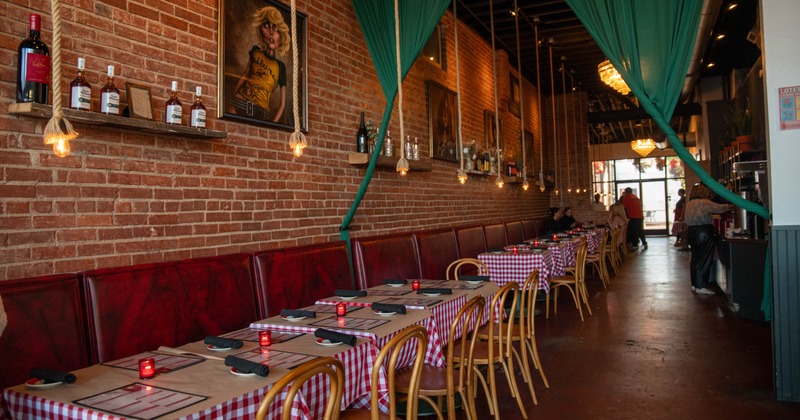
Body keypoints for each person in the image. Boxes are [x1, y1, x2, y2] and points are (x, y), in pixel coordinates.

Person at [229, 6, 289, 123]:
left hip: (262, 112)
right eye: (267, 26)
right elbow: (246, 74)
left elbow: (282, 103)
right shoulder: (255, 51)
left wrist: (274, 123)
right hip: (240, 101)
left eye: (276, 29)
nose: (271, 32)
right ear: (261, 31)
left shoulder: (280, 67)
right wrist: (234, 94)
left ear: (281, 36)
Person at [684, 184, 731, 295]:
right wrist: (731, 205)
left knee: (695, 258)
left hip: (691, 232)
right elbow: (719, 208)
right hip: (704, 232)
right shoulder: (704, 202)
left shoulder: (689, 204)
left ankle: (694, 284)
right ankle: (701, 286)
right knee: (704, 259)